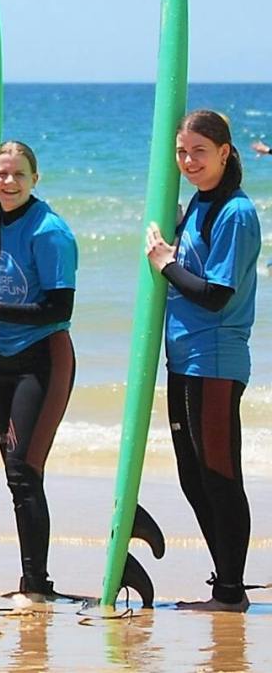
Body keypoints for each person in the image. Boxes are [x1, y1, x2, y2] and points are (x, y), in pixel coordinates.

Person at [145, 108, 260, 612]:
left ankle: (231, 593)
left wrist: (166, 263)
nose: (189, 161)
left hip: (215, 358)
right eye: (181, 152)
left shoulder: (236, 211)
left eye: (200, 152)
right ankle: (225, 582)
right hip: (184, 357)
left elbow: (215, 294)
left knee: (219, 474)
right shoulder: (198, 204)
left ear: (225, 153)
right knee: (192, 477)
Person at [0, 141, 77, 604]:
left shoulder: (49, 231)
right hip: (0, 362)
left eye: (18, 175)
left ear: (35, 179)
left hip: (43, 359)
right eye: (2, 174)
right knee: (15, 473)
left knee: (26, 471)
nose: (9, 182)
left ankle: (37, 587)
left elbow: (59, 306)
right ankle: (31, 582)